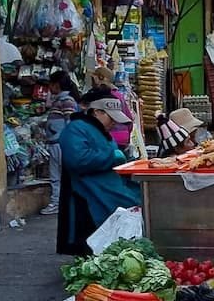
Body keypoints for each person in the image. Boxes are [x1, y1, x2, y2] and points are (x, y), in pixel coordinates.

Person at [56, 87, 141, 256]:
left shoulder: (100, 130)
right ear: (97, 112)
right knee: (89, 239)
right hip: (87, 195)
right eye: (111, 117)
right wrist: (112, 156)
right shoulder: (75, 129)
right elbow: (77, 160)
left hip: (106, 190)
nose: (115, 123)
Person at [40, 71, 81, 216]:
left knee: (58, 176)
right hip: (56, 143)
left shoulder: (66, 101)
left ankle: (57, 203)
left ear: (56, 85)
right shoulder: (59, 100)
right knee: (57, 176)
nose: (49, 88)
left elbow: (70, 123)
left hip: (60, 144)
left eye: (51, 84)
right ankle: (59, 202)